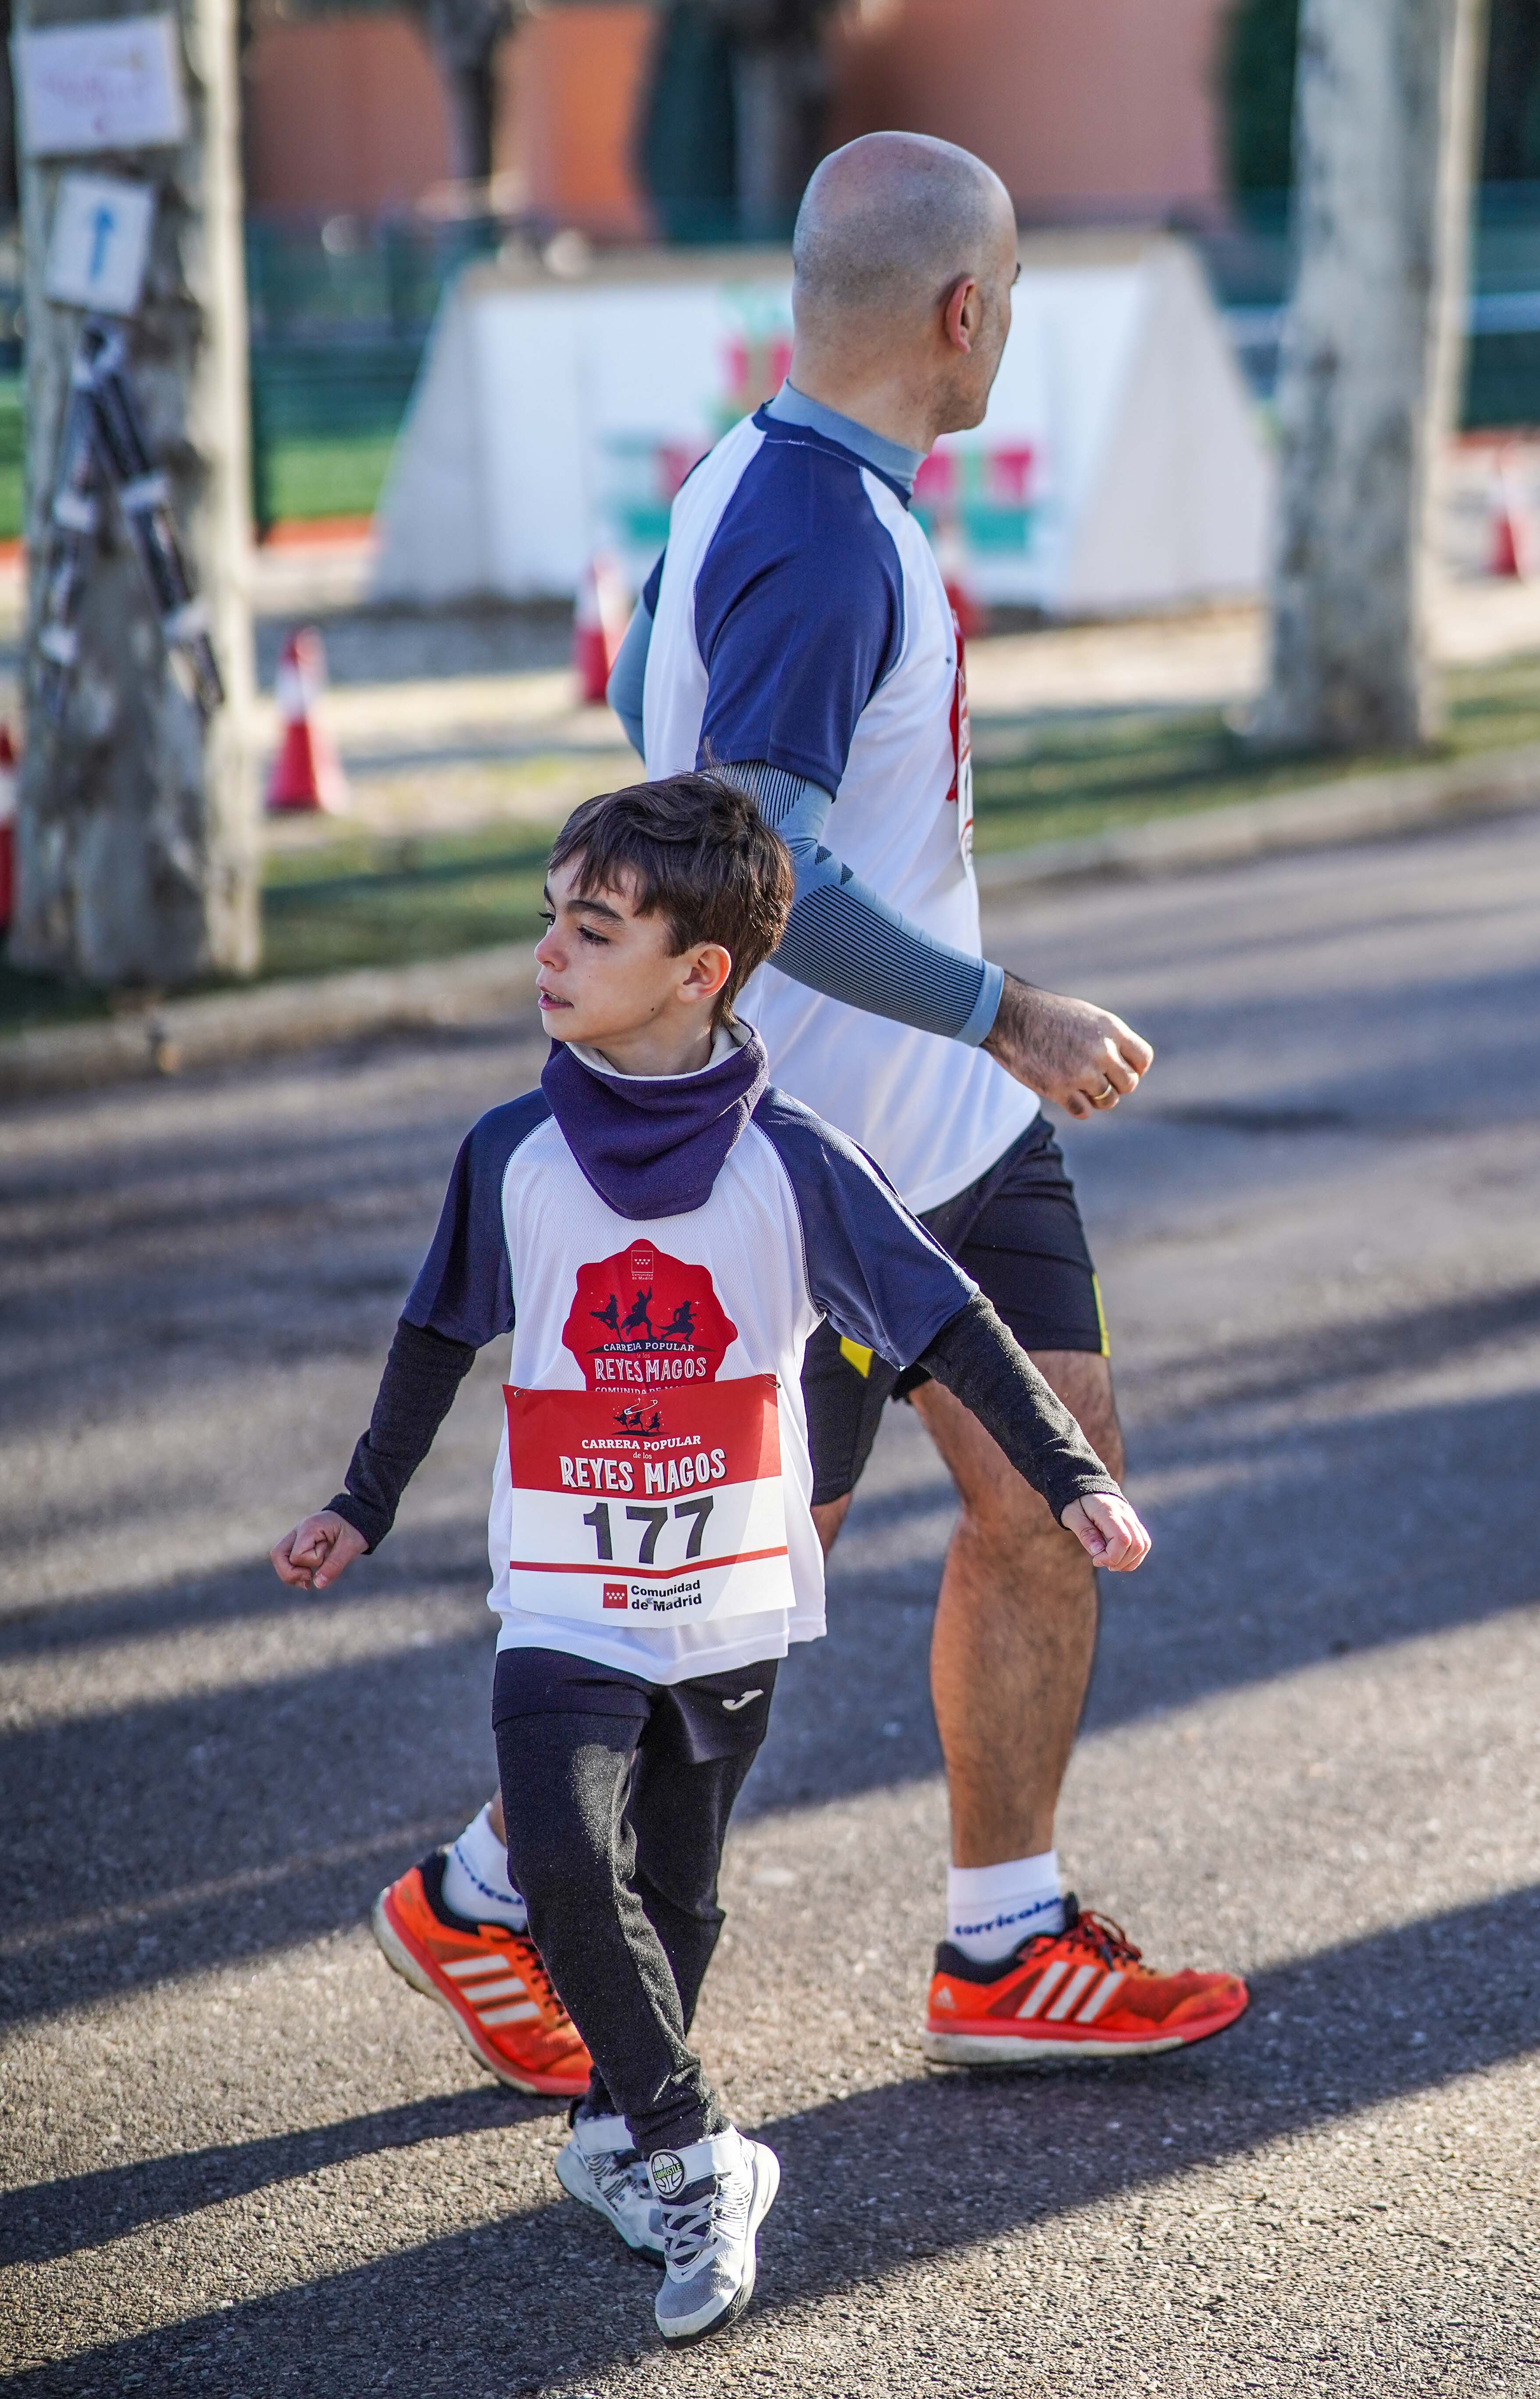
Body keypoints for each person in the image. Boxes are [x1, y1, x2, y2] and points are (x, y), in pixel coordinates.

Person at [371, 127, 1250, 2090]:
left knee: (1050, 1471)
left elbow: (650, 748)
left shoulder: (743, 490)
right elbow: (757, 858)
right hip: (817, 1159)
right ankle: (487, 1893)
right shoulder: (828, 535)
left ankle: (1006, 1940)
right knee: (725, 1586)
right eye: (1005, 298)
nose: (1003, 327)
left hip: (937, 1139)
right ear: (958, 312)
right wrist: (995, 1008)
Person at [272, 778, 1150, 2342]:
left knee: (676, 1886)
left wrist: (1069, 1474)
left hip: (730, 1593)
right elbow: (434, 1333)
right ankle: (693, 2153)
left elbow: (950, 1320)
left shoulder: (799, 1163)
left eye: (591, 928)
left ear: (703, 974)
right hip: (563, 1594)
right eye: (549, 915)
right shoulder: (512, 1151)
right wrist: (362, 1501)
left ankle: (617, 2128)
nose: (548, 951)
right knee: (558, 1855)